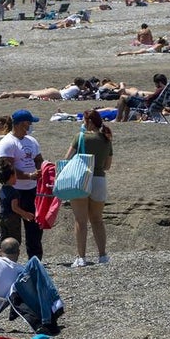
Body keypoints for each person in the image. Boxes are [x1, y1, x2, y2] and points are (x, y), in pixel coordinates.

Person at [66, 110, 114, 268]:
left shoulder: (80, 137)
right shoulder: (106, 139)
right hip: (99, 179)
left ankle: (81, 257)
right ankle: (103, 255)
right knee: (97, 220)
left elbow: (67, 159)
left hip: (81, 178)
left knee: (80, 220)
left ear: (89, 122)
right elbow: (107, 166)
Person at [0, 110, 44, 260]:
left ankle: (35, 260)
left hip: (32, 189)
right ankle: (5, 259)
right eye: (28, 123)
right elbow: (7, 168)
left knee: (34, 229)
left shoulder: (31, 141)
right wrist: (28, 175)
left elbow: (38, 159)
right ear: (19, 124)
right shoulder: (7, 142)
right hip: (15, 190)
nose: (30, 126)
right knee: (11, 230)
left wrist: (42, 169)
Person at [0, 164, 35, 248]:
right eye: (15, 175)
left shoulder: (2, 190)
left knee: (2, 238)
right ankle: (10, 257)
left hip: (3, 218)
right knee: (15, 241)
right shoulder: (14, 192)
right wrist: (26, 214)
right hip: (12, 220)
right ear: (11, 176)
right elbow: (14, 208)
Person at [0, 78, 89, 100]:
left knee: (30, 92)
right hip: (57, 94)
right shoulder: (77, 89)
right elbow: (81, 95)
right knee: (31, 94)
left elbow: (67, 87)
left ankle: (11, 93)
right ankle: (10, 94)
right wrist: (86, 90)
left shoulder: (72, 86)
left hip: (55, 91)